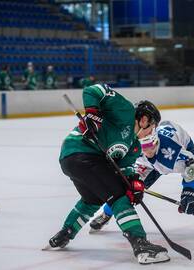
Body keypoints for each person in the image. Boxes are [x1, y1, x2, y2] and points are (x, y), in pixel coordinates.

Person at [47, 84, 170, 265]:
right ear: (144, 119)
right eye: (152, 126)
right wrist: (92, 114)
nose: (152, 132)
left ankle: (65, 233)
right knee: (119, 196)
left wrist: (134, 183)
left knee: (93, 198)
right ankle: (141, 245)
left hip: (77, 161)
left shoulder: (134, 146)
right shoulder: (125, 110)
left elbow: (123, 168)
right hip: (79, 150)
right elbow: (93, 90)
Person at [90, 121, 194, 233]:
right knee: (128, 189)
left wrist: (189, 192)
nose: (148, 150)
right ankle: (106, 213)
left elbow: (191, 164)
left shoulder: (169, 148)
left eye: (150, 145)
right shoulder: (136, 148)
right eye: (143, 147)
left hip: (186, 151)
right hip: (150, 165)